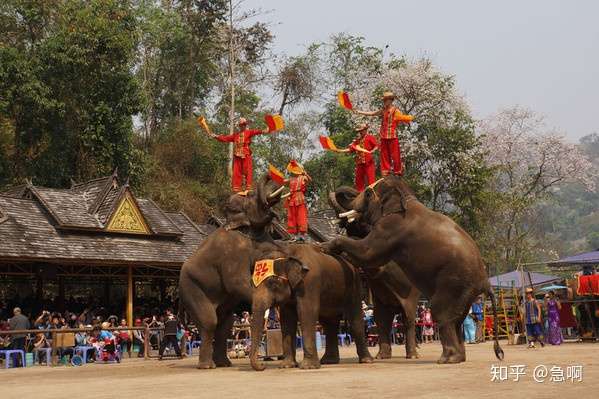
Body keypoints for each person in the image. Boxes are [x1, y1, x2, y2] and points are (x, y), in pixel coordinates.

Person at [352, 91, 413, 176]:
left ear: (390, 100)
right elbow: (373, 113)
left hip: (392, 136)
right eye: (383, 100)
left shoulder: (395, 111)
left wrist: (407, 118)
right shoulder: (383, 110)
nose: (384, 102)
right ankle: (386, 171)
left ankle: (397, 171)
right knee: (384, 155)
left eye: (385, 100)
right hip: (384, 136)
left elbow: (402, 118)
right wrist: (359, 112)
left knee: (395, 155)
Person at [211, 118, 275, 192]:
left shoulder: (249, 132)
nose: (242, 126)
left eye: (244, 125)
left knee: (248, 171)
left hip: (246, 154)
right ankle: (237, 188)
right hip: (237, 155)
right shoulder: (235, 135)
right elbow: (225, 138)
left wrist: (267, 129)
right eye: (241, 125)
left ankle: (248, 188)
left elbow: (258, 131)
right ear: (239, 126)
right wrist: (216, 136)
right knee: (236, 172)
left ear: (245, 125)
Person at [335, 123, 378, 191]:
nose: (360, 132)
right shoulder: (357, 141)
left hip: (368, 162)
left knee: (371, 179)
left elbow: (376, 146)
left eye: (362, 130)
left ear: (365, 130)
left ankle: (373, 192)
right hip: (360, 162)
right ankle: (359, 193)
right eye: (359, 131)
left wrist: (372, 151)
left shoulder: (370, 137)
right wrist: (339, 150)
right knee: (358, 180)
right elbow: (350, 149)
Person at [284, 160, 311, 241]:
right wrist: (276, 177)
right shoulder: (291, 179)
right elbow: (283, 181)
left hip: (300, 198)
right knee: (292, 217)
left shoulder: (302, 177)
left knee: (301, 216)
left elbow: (309, 180)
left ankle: (302, 235)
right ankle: (295, 235)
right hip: (292, 198)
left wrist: (305, 173)